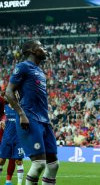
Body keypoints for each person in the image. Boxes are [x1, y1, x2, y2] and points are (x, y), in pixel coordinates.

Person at [6, 40, 59, 185]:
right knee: (39, 164)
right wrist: (21, 114)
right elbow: (9, 92)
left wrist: (47, 121)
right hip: (29, 117)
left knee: (54, 165)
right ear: (30, 50)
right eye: (39, 46)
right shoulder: (23, 67)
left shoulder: (40, 71)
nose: (43, 48)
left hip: (43, 121)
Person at [0, 96, 24, 185]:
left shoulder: (21, 109)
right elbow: (1, 117)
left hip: (18, 140)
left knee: (18, 161)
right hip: (6, 139)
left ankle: (19, 183)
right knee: (1, 160)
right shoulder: (4, 108)